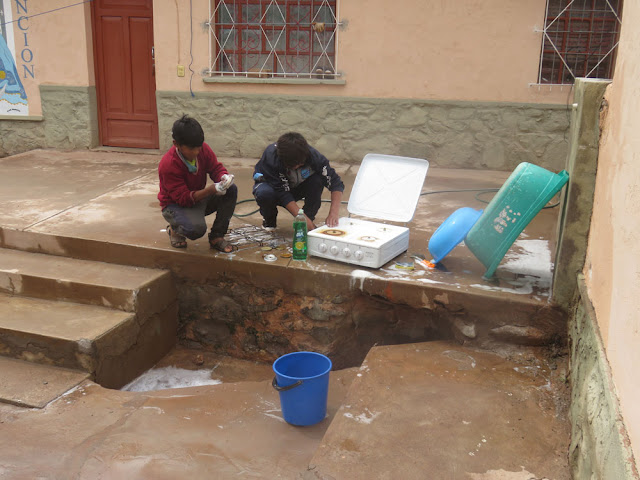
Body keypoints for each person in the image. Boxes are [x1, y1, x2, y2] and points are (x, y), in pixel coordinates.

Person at [158, 115, 237, 252]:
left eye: (198, 148)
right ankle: (175, 229)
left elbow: (215, 168)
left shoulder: (203, 149)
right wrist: (211, 190)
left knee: (231, 189)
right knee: (196, 230)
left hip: (197, 199)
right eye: (191, 149)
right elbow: (183, 198)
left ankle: (216, 236)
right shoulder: (169, 164)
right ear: (176, 144)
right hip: (176, 205)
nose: (196, 152)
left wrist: (223, 177)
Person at [252, 132, 344, 232]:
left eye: (300, 164)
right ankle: (269, 222)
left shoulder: (315, 158)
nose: (296, 167)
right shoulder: (271, 157)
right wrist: (301, 217)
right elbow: (283, 193)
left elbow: (336, 183)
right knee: (264, 193)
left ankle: (308, 219)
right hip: (274, 190)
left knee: (317, 180)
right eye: (292, 166)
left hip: (297, 187)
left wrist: (333, 213)